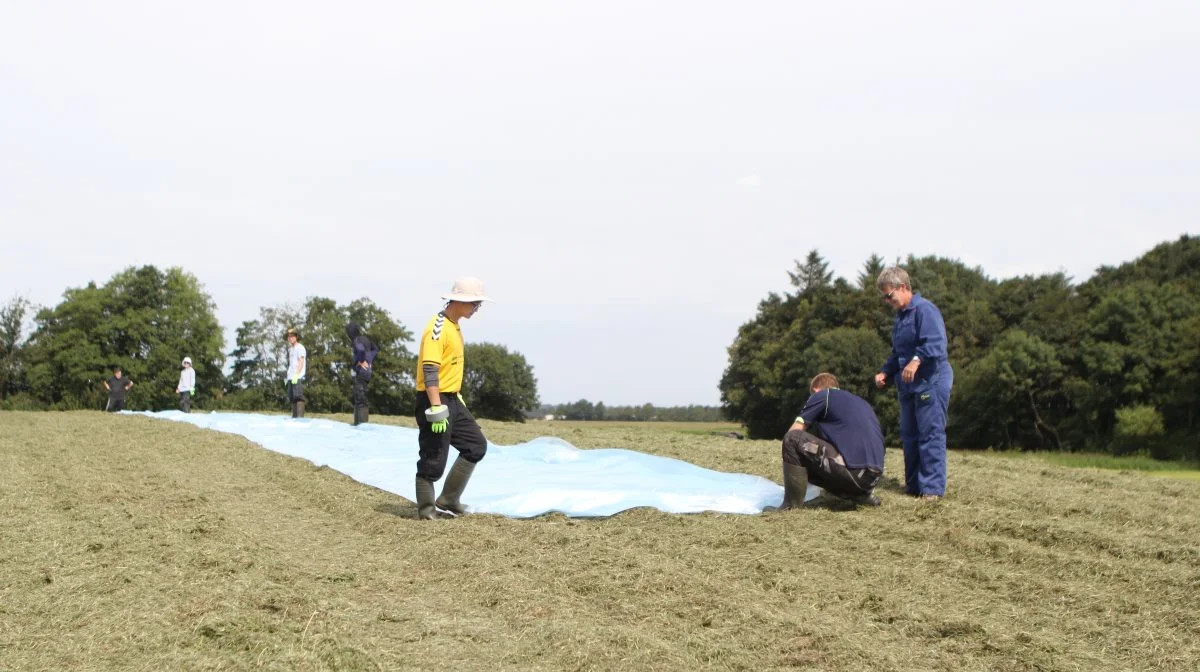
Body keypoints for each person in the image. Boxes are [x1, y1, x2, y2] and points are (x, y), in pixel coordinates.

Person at [413, 277, 493, 520]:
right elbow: (430, 370)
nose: (476, 309)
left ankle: (448, 498)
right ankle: (427, 510)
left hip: (452, 399)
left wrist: (456, 397)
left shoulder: (455, 326)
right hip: (434, 400)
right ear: (458, 301)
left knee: (476, 446)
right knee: (434, 457)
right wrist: (437, 407)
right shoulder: (437, 328)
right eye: (474, 303)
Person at [874, 266, 953, 500]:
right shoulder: (900, 318)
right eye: (884, 298)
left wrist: (916, 361)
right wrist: (885, 373)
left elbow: (936, 344)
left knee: (930, 434)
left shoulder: (925, 310)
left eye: (889, 295)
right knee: (909, 435)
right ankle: (914, 486)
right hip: (908, 386)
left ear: (903, 287)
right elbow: (898, 354)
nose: (888, 301)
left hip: (930, 381)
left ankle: (931, 490)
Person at [778, 373, 885, 509]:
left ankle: (790, 506)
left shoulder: (823, 395)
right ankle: (859, 495)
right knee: (809, 457)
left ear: (816, 390)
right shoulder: (861, 403)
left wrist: (788, 457)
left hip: (853, 472)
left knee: (792, 439)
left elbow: (795, 431)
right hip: (871, 479)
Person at [346, 321, 379, 425]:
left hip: (361, 371)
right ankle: (358, 424)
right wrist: (369, 361)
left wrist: (359, 362)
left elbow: (360, 350)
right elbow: (376, 348)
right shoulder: (365, 339)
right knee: (361, 395)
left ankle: (361, 425)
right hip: (367, 371)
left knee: (360, 397)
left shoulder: (356, 340)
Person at [285, 328, 307, 418]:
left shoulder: (300, 348)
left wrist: (296, 374)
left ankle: (300, 418)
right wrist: (288, 375)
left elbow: (301, 361)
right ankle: (294, 417)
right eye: (289, 336)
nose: (291, 338)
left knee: (298, 396)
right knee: (292, 396)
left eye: (292, 336)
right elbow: (291, 364)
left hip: (297, 376)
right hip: (291, 376)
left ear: (296, 337)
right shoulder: (291, 350)